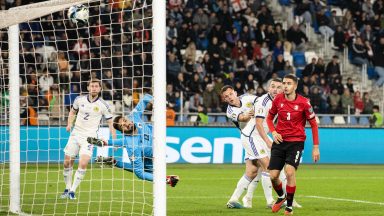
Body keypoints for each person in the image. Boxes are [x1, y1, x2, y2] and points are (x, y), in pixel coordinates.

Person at [88, 94, 179, 187]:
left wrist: (155, 101)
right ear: (122, 131)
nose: (126, 124)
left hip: (157, 137)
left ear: (127, 119)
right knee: (141, 170)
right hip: (149, 158)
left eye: (125, 121)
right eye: (122, 126)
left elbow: (145, 98)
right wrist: (166, 180)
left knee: (125, 144)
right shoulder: (132, 147)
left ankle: (106, 148)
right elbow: (139, 173)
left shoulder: (133, 116)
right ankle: (113, 159)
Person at [243, 78, 302, 209]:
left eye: (278, 87)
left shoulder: (280, 100)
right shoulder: (264, 101)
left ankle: (249, 198)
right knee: (269, 167)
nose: (276, 90)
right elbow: (259, 124)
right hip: (255, 137)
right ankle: (271, 200)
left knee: (260, 170)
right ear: (268, 88)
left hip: (264, 136)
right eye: (273, 86)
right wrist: (268, 141)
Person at [266, 74, 320, 215]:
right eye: (284, 83)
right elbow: (269, 118)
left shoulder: (304, 103)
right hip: (279, 141)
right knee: (273, 176)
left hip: (296, 142)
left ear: (295, 86)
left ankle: (289, 207)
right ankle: (281, 196)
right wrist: (273, 132)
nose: (285, 86)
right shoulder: (278, 99)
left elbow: (314, 124)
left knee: (289, 172)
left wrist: (315, 147)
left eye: (288, 83)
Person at [61, 79, 117, 200]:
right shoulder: (79, 100)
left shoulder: (103, 105)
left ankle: (72, 191)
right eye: (92, 86)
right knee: (67, 162)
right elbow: (72, 112)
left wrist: (114, 139)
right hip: (76, 134)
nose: (94, 88)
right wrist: (69, 124)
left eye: (96, 86)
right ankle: (67, 187)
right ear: (88, 88)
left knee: (83, 162)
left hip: (90, 137)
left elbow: (110, 122)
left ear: (100, 89)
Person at [221, 85, 258, 209]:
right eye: (226, 97)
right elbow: (243, 118)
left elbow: (261, 101)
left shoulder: (247, 97)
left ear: (236, 93)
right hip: (249, 137)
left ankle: (235, 199)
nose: (229, 98)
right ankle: (283, 199)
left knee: (252, 171)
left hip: (257, 135)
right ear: (224, 100)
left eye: (230, 94)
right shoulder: (230, 111)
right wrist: (253, 112)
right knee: (271, 166)